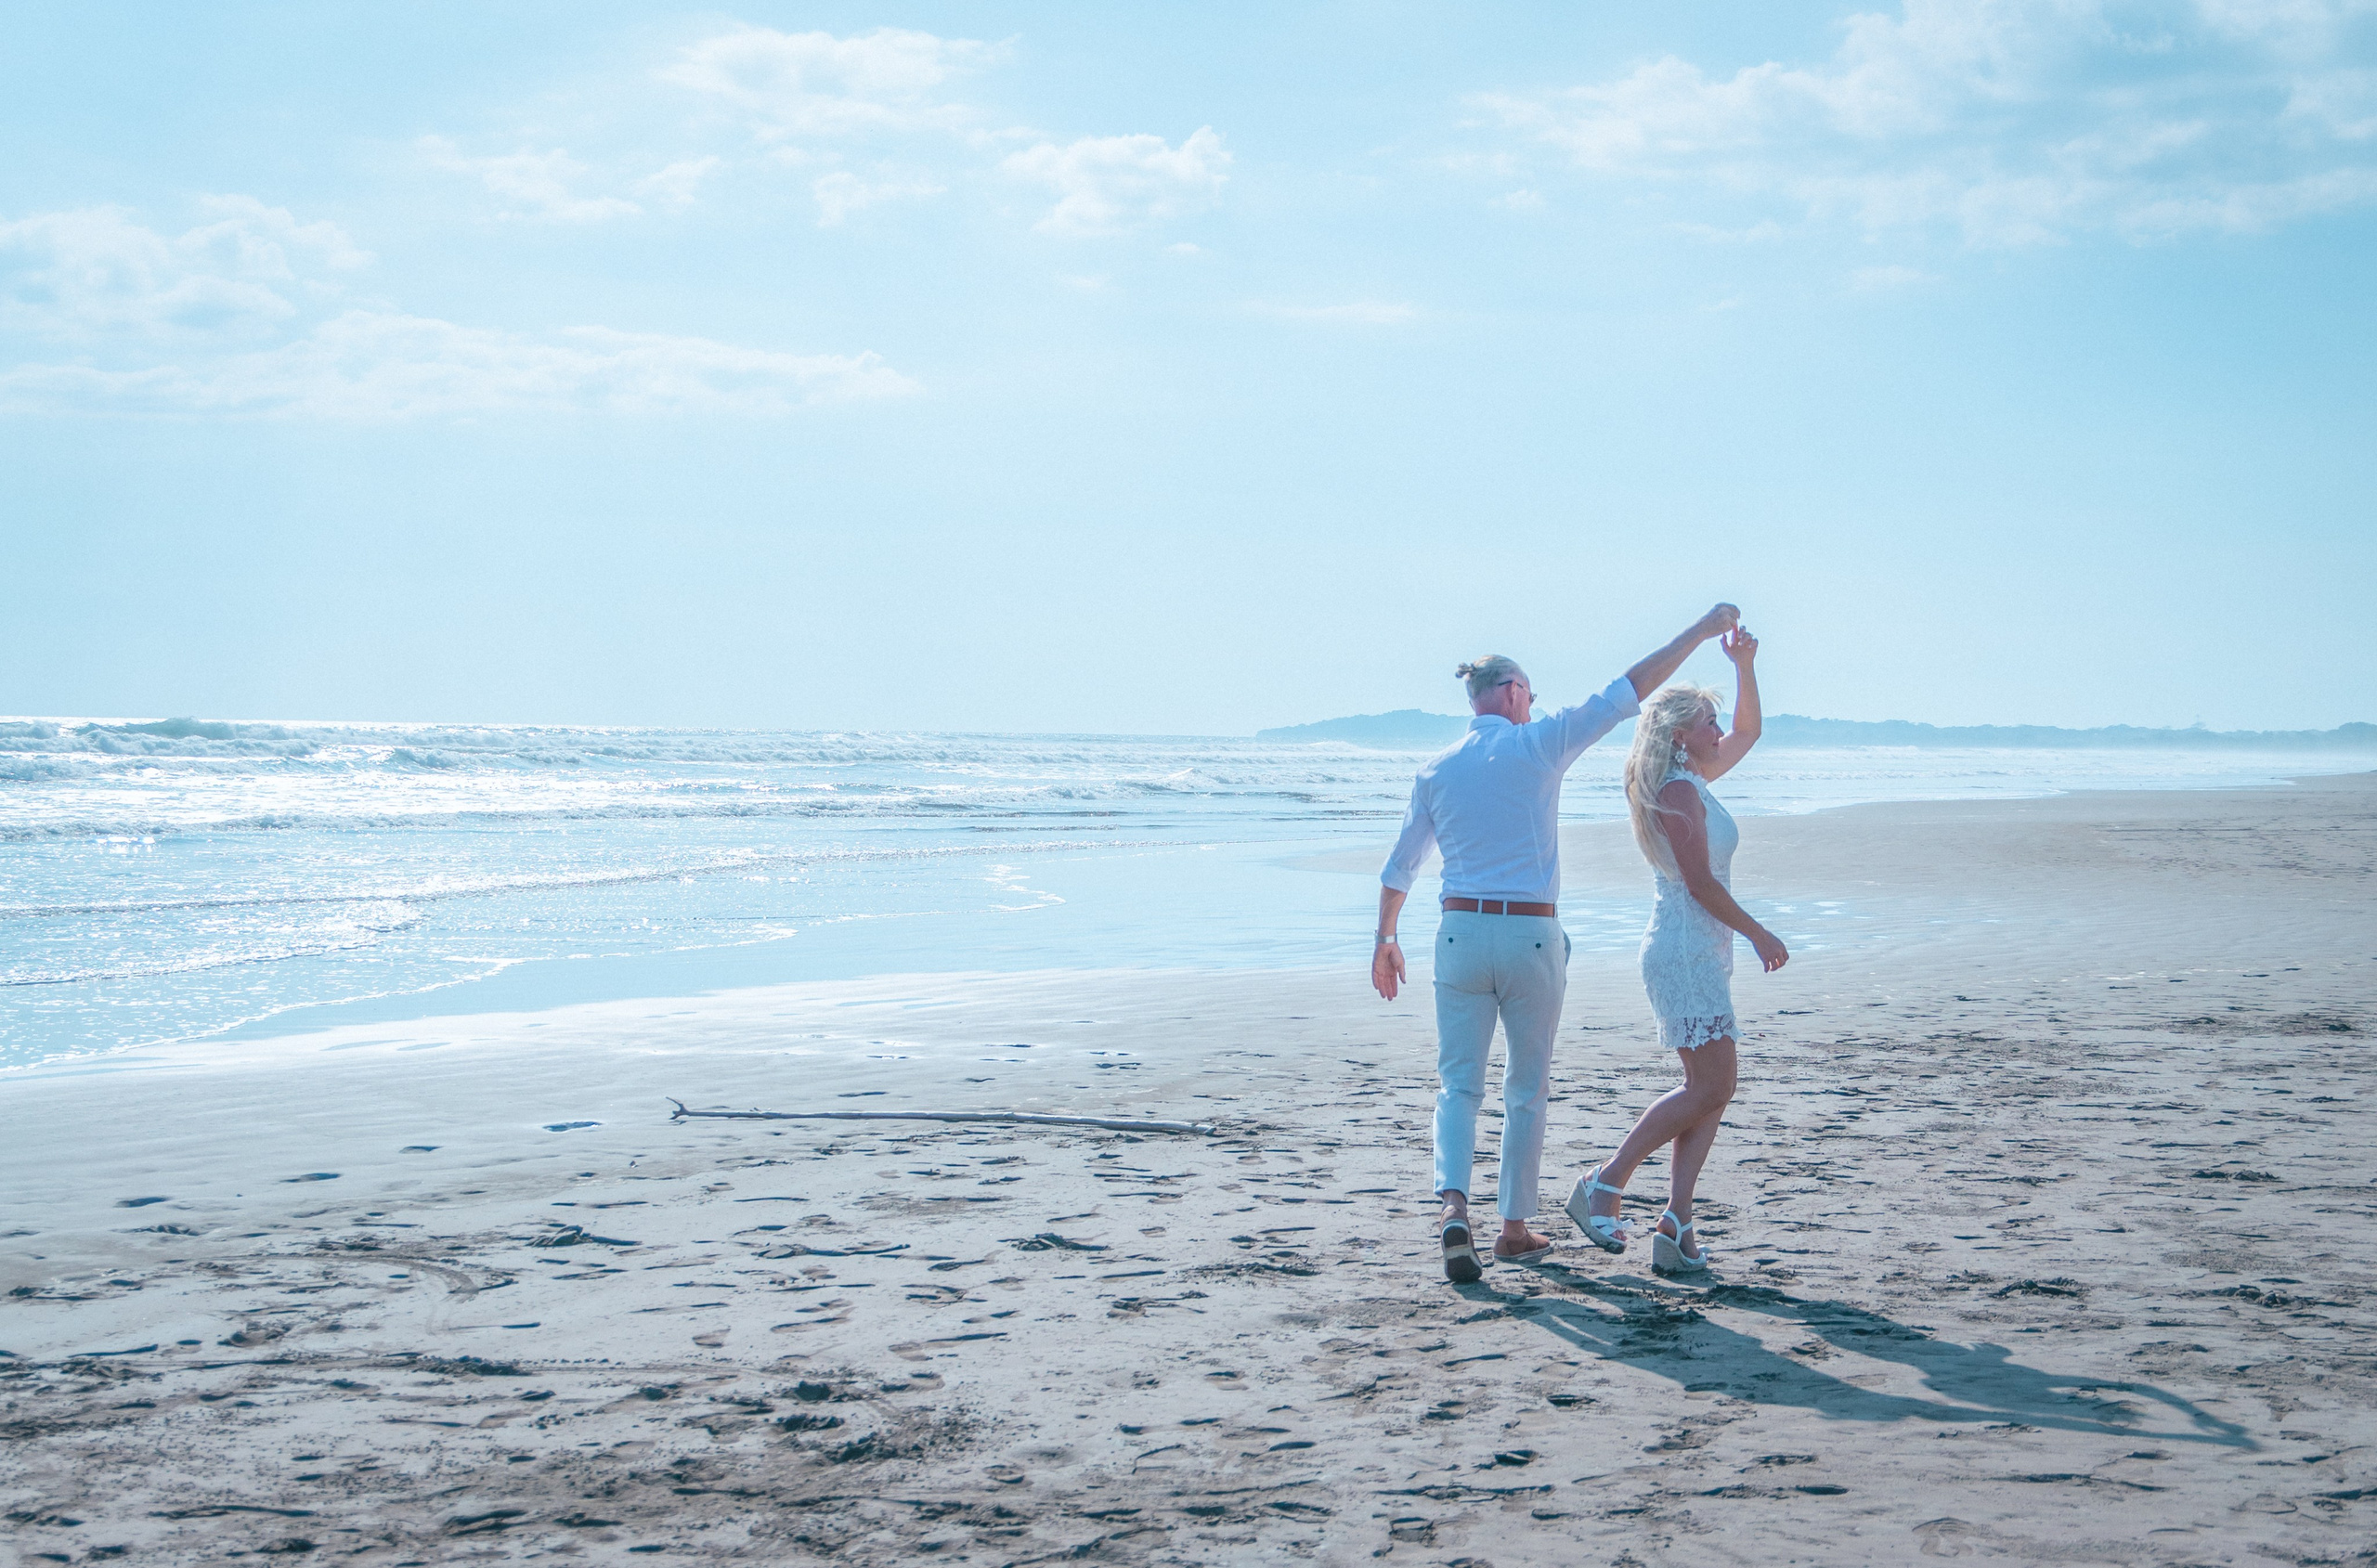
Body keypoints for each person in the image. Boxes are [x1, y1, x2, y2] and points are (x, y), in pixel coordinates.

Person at [1373, 603, 1743, 1284]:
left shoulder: (1436, 769)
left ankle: (1455, 1209)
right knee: (1526, 1087)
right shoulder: (1540, 742)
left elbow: (1400, 866)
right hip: (1530, 934)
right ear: (1512, 691)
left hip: (1456, 929)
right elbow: (1627, 690)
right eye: (1531, 693)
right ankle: (1512, 1229)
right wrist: (1697, 631)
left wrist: (1384, 937)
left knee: (1457, 1084)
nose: (1534, 702)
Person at [1566, 625, 1786, 1275]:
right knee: (1713, 1084)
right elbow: (1699, 883)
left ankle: (1676, 1221)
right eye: (1707, 722)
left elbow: (1750, 732)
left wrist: (1745, 664)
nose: (1719, 731)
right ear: (1680, 734)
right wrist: (1758, 930)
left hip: (1699, 949)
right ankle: (1605, 1184)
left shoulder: (1694, 775)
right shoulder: (1679, 790)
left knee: (1711, 1087)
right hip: (1684, 948)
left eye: (1715, 721)